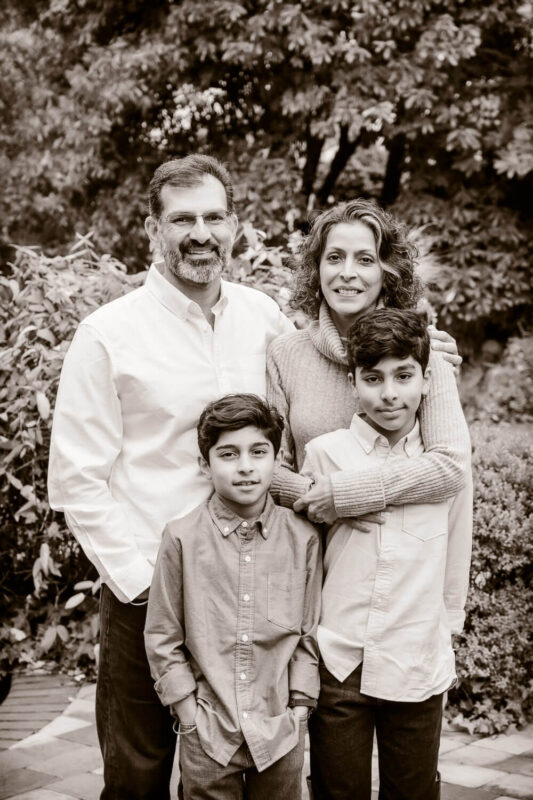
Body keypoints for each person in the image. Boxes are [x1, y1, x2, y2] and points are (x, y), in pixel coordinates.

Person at [47, 155, 294, 799]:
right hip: (148, 590)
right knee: (138, 771)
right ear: (152, 228)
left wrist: (426, 355)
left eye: (214, 217)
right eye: (183, 219)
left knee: (250, 764)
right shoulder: (108, 334)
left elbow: (324, 396)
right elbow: (76, 478)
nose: (201, 234)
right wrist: (141, 585)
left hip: (252, 585)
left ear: (234, 225)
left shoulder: (266, 318)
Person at [303, 309, 472, 799]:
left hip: (415, 656)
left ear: (427, 379)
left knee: (413, 789)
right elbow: (309, 557)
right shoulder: (325, 454)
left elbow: (457, 548)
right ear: (353, 382)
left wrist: (446, 630)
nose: (389, 394)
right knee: (336, 789)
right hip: (340, 659)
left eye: (404, 376)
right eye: (373, 379)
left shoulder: (445, 463)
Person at [144, 394, 322, 799]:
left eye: (258, 452)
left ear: (277, 459)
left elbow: (308, 635)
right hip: (209, 731)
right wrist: (188, 713)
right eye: (228, 454)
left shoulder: (303, 538)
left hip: (280, 729)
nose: (245, 466)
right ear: (205, 465)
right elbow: (162, 636)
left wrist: (299, 709)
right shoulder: (180, 538)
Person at [266, 198, 471, 525]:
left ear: (387, 272)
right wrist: (319, 498)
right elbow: (270, 467)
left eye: (365, 260)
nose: (347, 273)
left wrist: (347, 495)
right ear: (317, 268)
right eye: (334, 258)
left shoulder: (422, 347)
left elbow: (451, 465)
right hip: (311, 542)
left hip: (401, 545)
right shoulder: (285, 353)